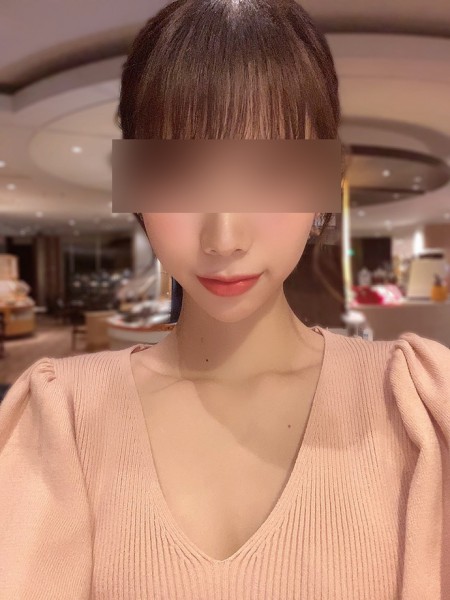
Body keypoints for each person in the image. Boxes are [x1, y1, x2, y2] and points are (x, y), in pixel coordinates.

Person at [1, 1, 450, 599]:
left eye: (269, 173)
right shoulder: (62, 419)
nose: (224, 238)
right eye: (182, 176)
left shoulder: (420, 410)